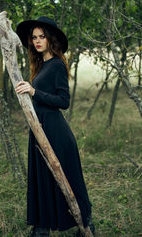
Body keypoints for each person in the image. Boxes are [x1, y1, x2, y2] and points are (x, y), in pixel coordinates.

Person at [15, 17, 95, 237]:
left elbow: (63, 101)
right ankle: (42, 227)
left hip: (55, 132)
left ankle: (85, 224)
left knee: (66, 178)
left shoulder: (57, 64)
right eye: (34, 37)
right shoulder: (42, 66)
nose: (37, 41)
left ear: (50, 39)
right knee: (42, 176)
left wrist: (33, 91)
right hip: (40, 129)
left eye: (42, 37)